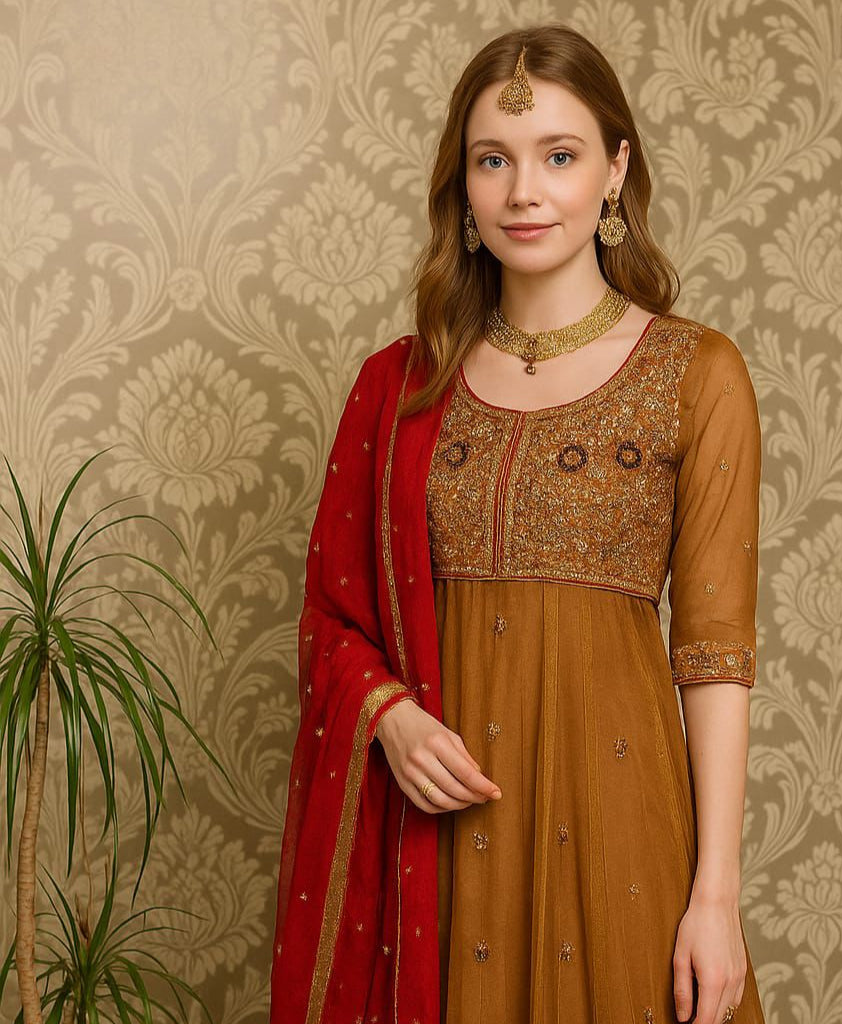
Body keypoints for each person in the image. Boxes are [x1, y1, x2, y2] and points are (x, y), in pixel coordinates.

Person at [270, 24, 765, 1024]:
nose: (524, 191)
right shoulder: (400, 387)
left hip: (623, 831)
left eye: (559, 156)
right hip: (436, 839)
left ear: (615, 170)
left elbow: (714, 655)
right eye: (493, 160)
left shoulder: (696, 373)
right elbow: (331, 618)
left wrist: (716, 896)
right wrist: (389, 715)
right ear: (463, 186)